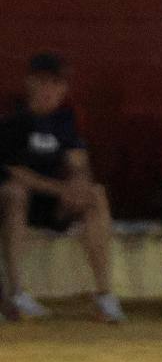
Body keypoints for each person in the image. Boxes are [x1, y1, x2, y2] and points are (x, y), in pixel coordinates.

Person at [0, 52, 122, 323]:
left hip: (53, 204)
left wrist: (79, 182)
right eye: (43, 81)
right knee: (14, 193)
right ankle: (16, 293)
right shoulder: (14, 122)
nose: (49, 90)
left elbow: (78, 161)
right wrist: (60, 189)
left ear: (64, 88)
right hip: (18, 205)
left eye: (56, 83)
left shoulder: (65, 121)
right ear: (30, 83)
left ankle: (105, 296)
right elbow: (17, 174)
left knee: (96, 194)